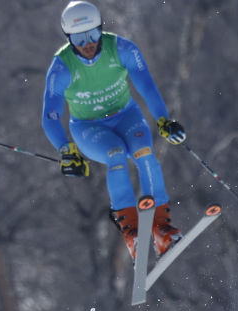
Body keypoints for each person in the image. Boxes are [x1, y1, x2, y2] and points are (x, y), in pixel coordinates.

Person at [41, 1, 188, 260]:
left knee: (144, 152)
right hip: (89, 128)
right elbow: (50, 116)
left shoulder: (122, 49)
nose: (87, 44)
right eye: (78, 38)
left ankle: (162, 229)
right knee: (116, 154)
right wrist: (66, 150)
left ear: (100, 29)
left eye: (92, 35)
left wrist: (163, 120)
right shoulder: (61, 67)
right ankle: (132, 233)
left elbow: (148, 87)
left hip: (127, 116)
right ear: (68, 38)